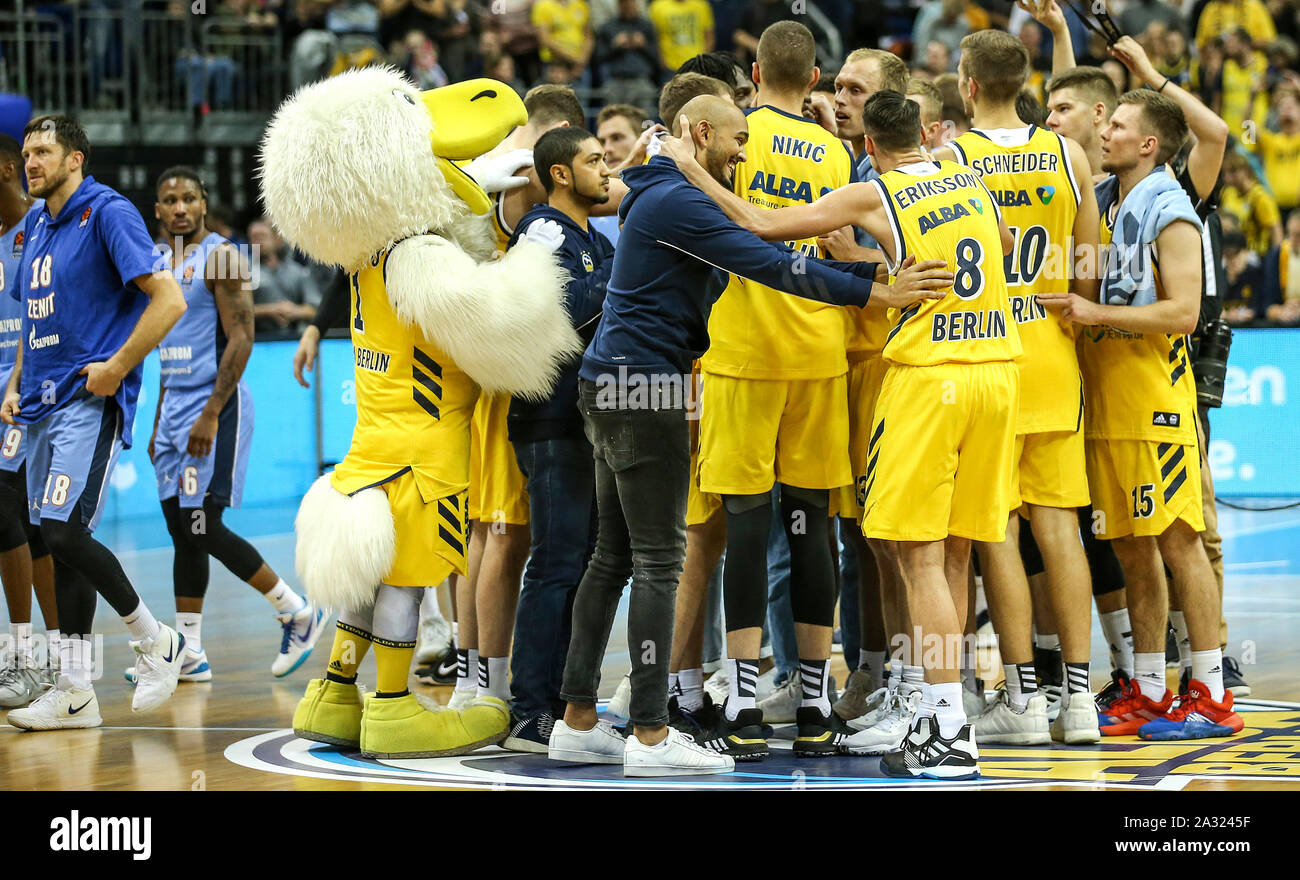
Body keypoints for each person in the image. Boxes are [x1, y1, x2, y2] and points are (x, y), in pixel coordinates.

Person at [546, 94, 953, 776]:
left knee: (612, 560)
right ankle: (649, 733)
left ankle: (578, 721)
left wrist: (867, 276)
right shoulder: (679, 201)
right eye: (736, 140)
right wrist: (876, 291)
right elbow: (771, 263)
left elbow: (772, 253)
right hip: (646, 388)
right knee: (656, 563)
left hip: (611, 382)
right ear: (700, 133)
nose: (743, 153)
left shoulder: (662, 190)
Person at [663, 89, 1021, 779]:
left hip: (930, 375)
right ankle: (935, 711)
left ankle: (943, 729)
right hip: (999, 369)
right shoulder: (967, 174)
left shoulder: (873, 193)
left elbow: (762, 224)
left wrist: (695, 171)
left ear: (869, 149)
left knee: (911, 556)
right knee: (953, 553)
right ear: (922, 132)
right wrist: (881, 260)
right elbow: (1004, 246)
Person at [1045, 90, 1244, 741]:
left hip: (1156, 407)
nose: (1107, 132)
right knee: (1132, 549)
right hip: (1110, 407)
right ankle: (1152, 688)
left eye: (1120, 124)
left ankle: (1211, 691)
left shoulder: (1170, 206)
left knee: (1180, 542)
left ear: (1148, 143)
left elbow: (1183, 313)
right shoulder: (1114, 203)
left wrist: (1096, 314)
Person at [939, 28, 1102, 745]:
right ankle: (1080, 702)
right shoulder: (1067, 154)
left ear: (968, 87)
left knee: (997, 528)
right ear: (1027, 84)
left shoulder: (953, 159)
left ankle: (1024, 701)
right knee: (1061, 528)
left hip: (986, 354)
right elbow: (1090, 270)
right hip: (1051, 350)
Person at [3, 115, 189, 731]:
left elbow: (170, 300)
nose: (31, 162)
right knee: (57, 538)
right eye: (27, 153)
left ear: (75, 159)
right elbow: (33, 318)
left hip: (87, 402)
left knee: (60, 533)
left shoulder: (108, 212)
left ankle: (156, 640)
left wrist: (116, 367)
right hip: (37, 405)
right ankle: (76, 691)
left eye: (44, 152)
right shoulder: (33, 224)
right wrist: (12, 385)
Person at [126, 167, 325, 687]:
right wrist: (159, 421)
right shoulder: (157, 260)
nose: (180, 208)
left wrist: (212, 411)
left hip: (218, 406)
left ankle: (295, 611)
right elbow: (169, 348)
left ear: (204, 202)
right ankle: (189, 650)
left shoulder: (222, 255)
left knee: (203, 525)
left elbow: (242, 336)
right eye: (169, 200)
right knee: (180, 530)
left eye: (189, 198)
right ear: (157, 210)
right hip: (173, 412)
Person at [499, 128, 614, 752]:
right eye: (595, 161)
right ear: (562, 174)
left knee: (583, 563)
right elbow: (556, 308)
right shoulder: (542, 231)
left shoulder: (593, 238)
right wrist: (625, 292)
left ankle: (569, 705)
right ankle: (528, 711)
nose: (607, 170)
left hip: (588, 420)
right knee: (555, 562)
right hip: (549, 421)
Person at [0, 133, 57, 711]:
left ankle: (29, 653)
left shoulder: (46, 223)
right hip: (4, 393)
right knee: (23, 526)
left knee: (18, 515)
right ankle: (39, 652)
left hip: (36, 389)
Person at [648, 0, 716, 74]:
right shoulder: (657, 6)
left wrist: (703, 60)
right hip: (670, 66)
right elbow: (653, 37)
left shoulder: (701, 5)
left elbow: (709, 36)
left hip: (698, 65)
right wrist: (661, 61)